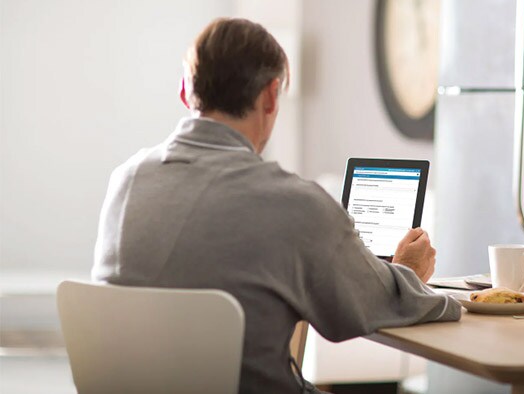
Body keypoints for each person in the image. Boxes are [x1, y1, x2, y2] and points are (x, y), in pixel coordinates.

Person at [92, 18, 461, 393]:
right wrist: (408, 271)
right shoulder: (294, 204)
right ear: (271, 96)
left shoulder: (125, 181)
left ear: (186, 93)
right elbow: (374, 307)